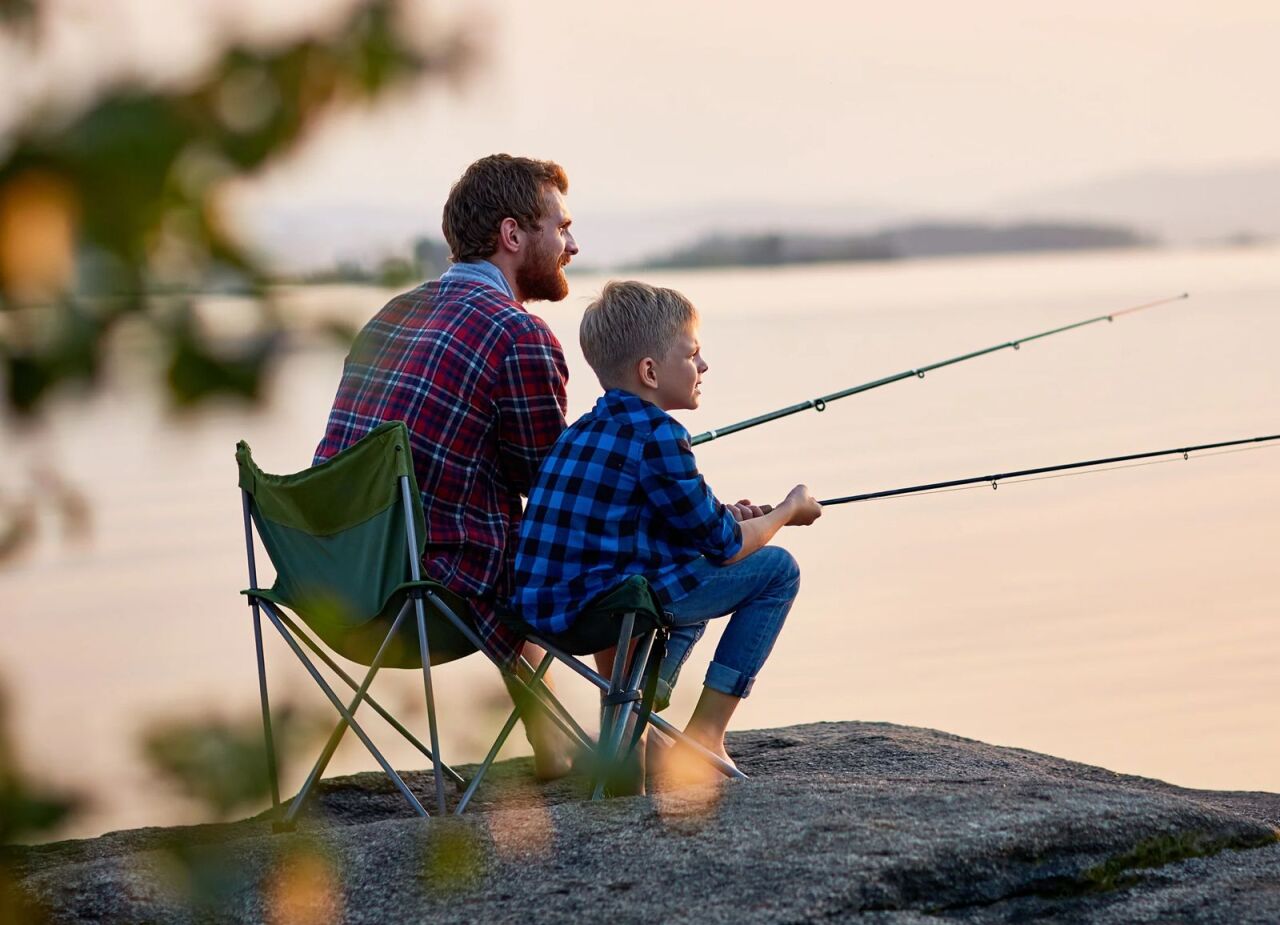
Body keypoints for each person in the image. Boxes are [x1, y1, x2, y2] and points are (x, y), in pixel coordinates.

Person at [314, 154, 579, 778]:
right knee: (577, 538)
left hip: (331, 583)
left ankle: (555, 743)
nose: (573, 244)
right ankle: (623, 744)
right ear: (514, 235)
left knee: (495, 533)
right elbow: (550, 494)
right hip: (422, 599)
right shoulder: (519, 335)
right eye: (561, 227)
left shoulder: (391, 314)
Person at [511, 279, 822, 779]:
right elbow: (723, 544)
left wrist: (727, 513)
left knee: (687, 563)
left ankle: (640, 723)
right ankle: (704, 735)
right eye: (693, 354)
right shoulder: (659, 435)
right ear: (650, 371)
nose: (703, 366)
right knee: (777, 570)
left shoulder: (579, 433)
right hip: (611, 611)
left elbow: (650, 517)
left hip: (545, 615)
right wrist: (787, 510)